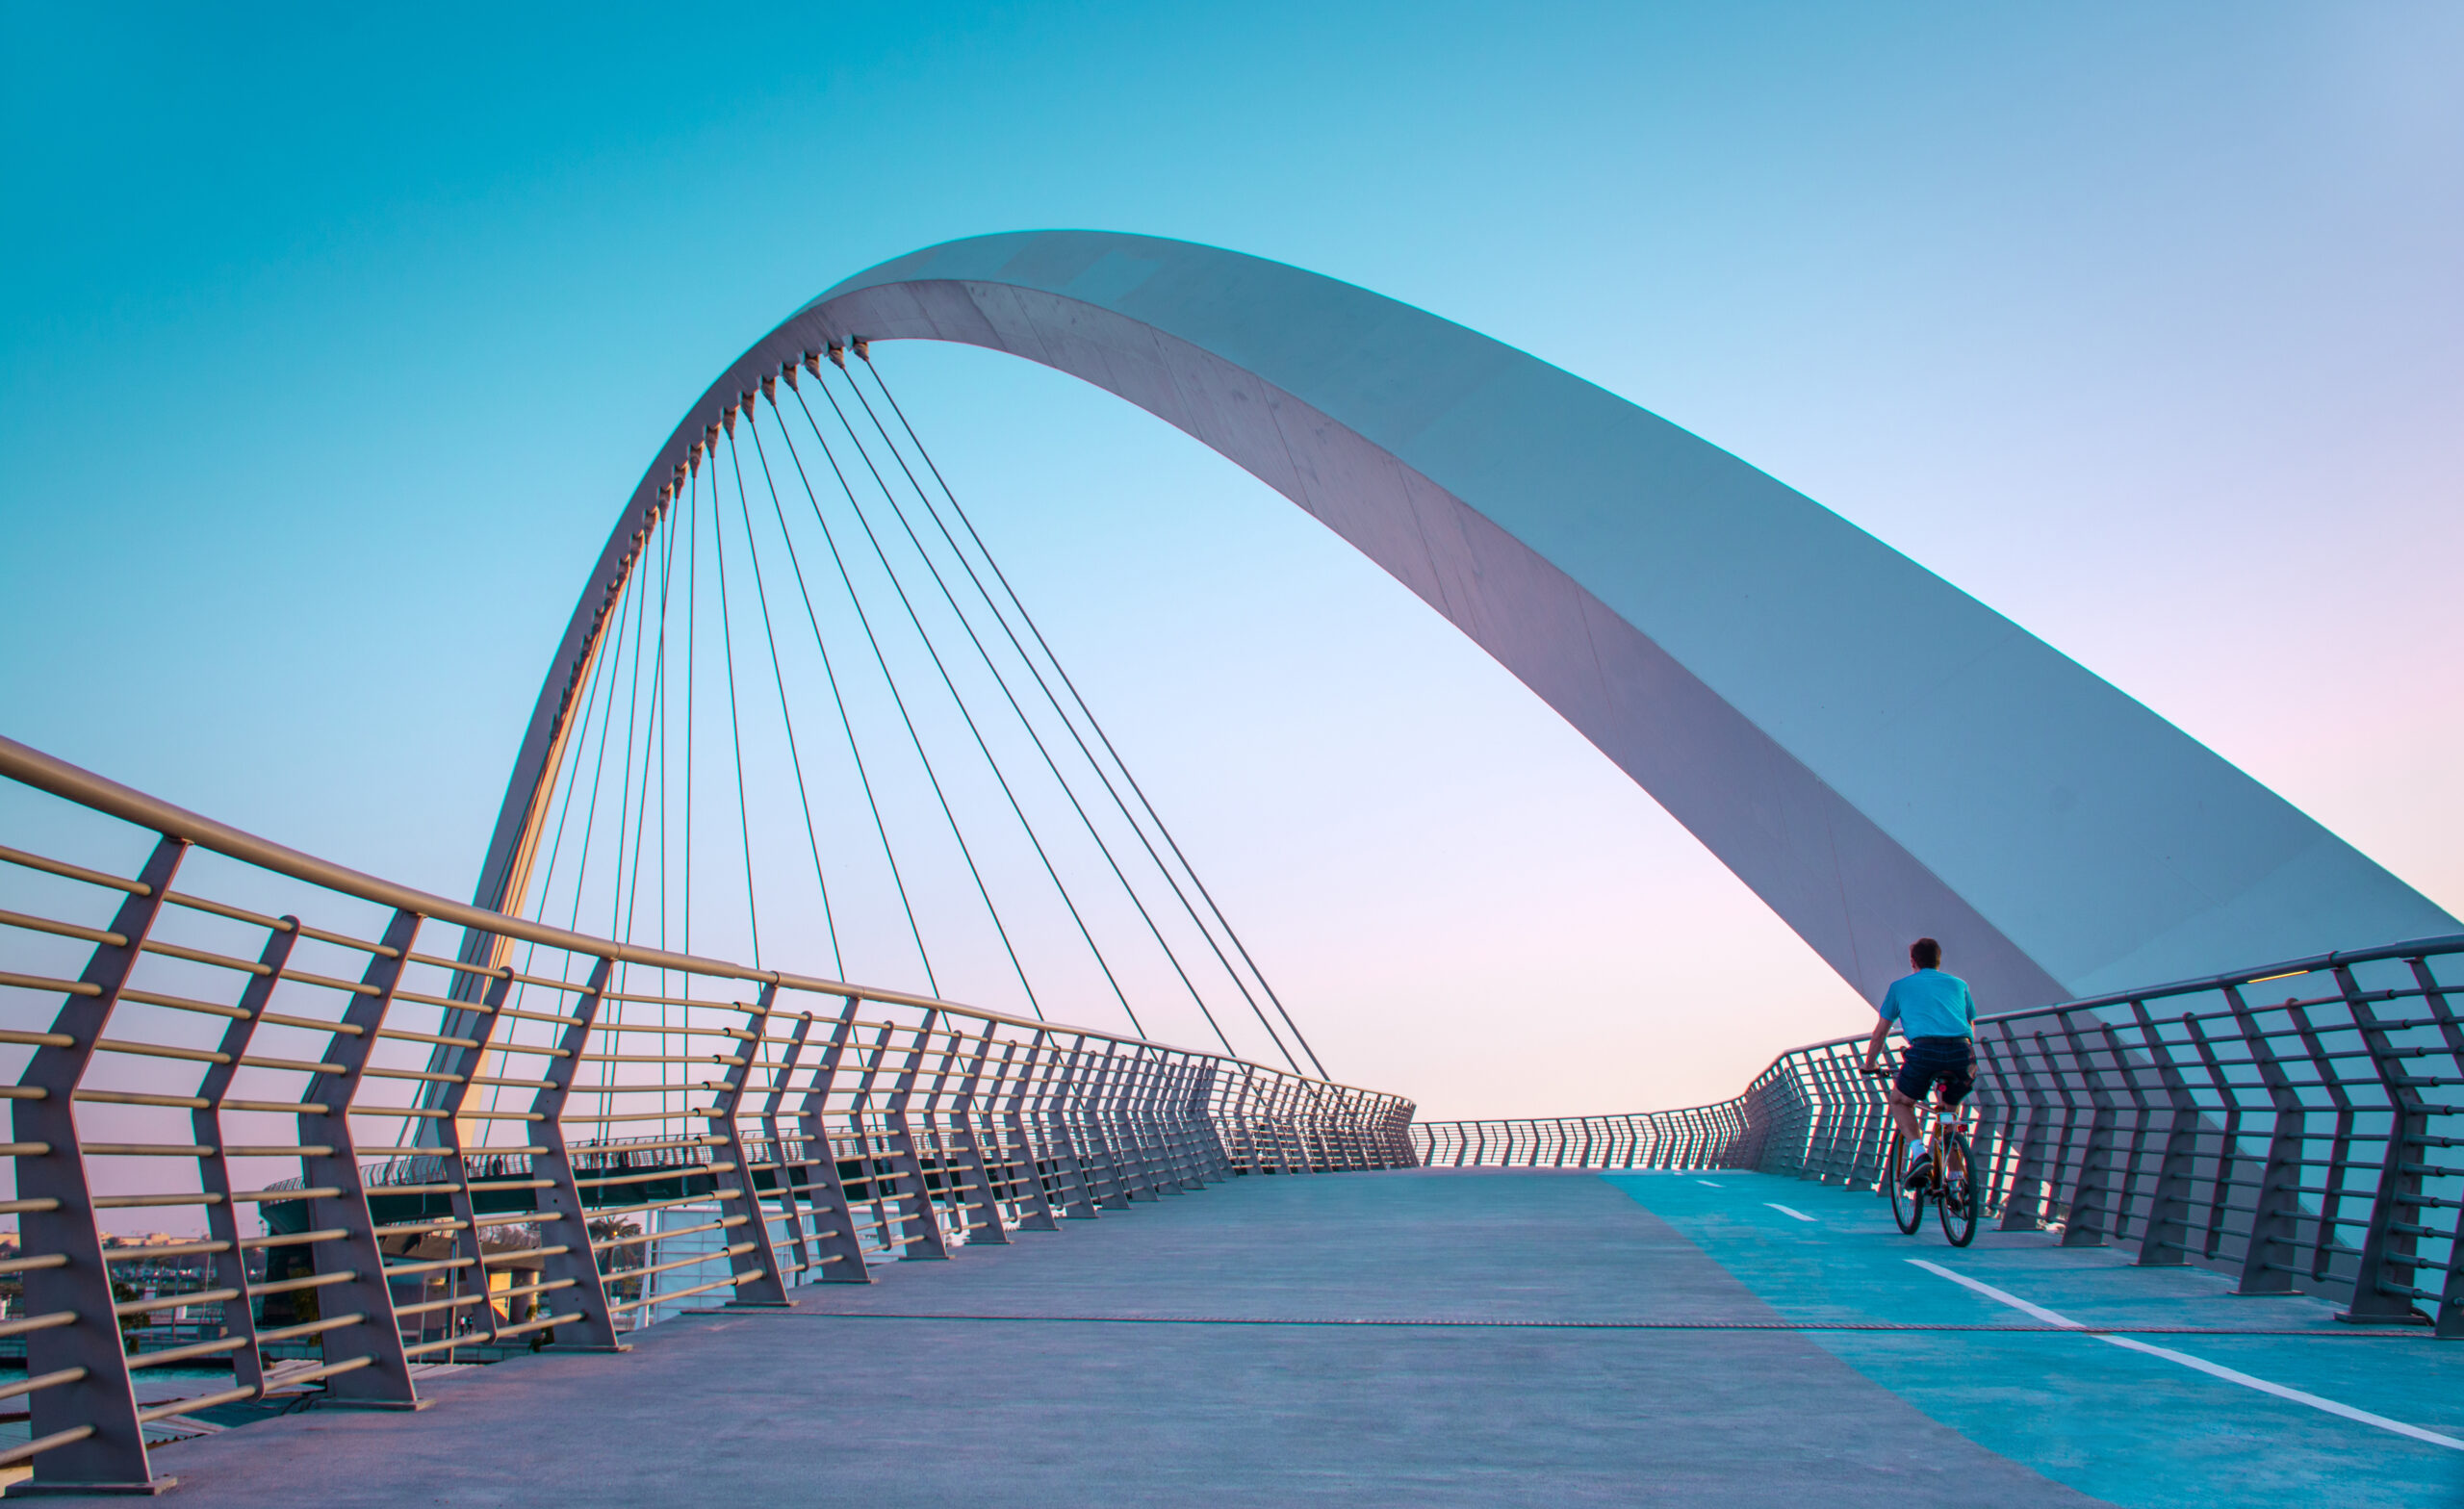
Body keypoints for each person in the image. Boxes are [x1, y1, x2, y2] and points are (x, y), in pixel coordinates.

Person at [1859, 937, 1977, 1188]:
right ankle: (1956, 1182)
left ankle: (1919, 1153)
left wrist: (1869, 1064)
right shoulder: (1959, 985)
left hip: (1924, 1052)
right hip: (1962, 1054)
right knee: (1948, 1113)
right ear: (1938, 960)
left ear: (1913, 961)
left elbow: (1880, 1032)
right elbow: (1969, 1025)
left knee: (1900, 1101)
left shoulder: (1899, 987)